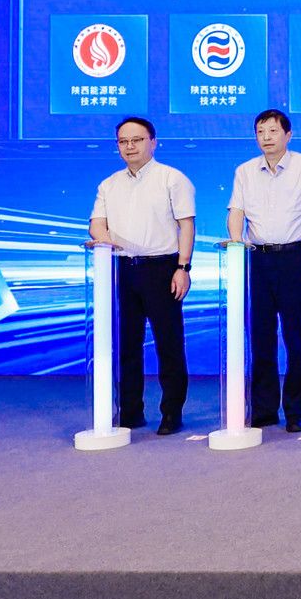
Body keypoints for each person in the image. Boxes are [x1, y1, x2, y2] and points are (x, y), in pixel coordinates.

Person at [226, 109, 301, 433]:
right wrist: (236, 244)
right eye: (261, 132)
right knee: (260, 337)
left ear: (288, 135)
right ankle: (263, 409)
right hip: (257, 260)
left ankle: (295, 410)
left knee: (296, 336)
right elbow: (236, 213)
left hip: (296, 259)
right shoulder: (245, 171)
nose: (266, 137)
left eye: (273, 131)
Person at [89, 116, 196, 436]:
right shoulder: (109, 184)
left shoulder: (172, 179)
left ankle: (171, 413)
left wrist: (183, 268)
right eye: (123, 141)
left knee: (169, 344)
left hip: (162, 268)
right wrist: (104, 239)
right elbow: (96, 224)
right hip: (122, 270)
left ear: (153, 142)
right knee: (126, 345)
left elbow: (186, 226)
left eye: (137, 140)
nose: (130, 146)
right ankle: (130, 411)